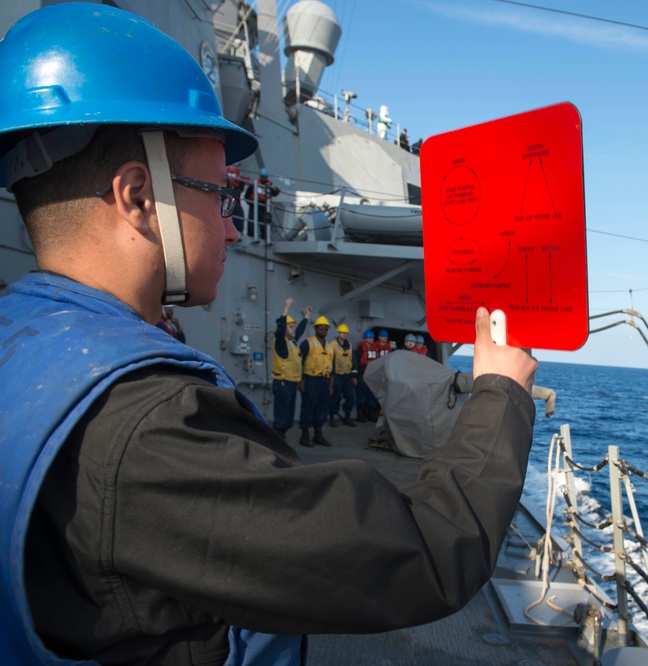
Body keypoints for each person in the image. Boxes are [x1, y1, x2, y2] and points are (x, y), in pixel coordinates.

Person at [0, 6, 537, 665]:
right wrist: (500, 393)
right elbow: (423, 549)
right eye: (219, 194)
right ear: (138, 197)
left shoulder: (23, 340)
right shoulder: (144, 428)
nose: (231, 227)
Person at [272, 298, 311, 441]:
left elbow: (299, 330)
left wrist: (306, 317)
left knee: (288, 416)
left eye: (293, 326)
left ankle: (281, 437)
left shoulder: (292, 342)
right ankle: (276, 441)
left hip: (291, 383)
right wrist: (286, 308)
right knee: (282, 414)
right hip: (282, 383)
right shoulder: (281, 342)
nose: (293, 328)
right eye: (291, 326)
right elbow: (281, 329)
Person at [298, 316, 334, 446]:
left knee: (322, 407)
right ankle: (304, 435)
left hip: (324, 381)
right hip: (311, 380)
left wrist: (330, 385)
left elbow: (332, 367)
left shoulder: (329, 347)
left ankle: (318, 435)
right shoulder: (307, 343)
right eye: (320, 328)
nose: (323, 330)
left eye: (325, 328)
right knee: (308, 406)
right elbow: (299, 362)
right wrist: (300, 381)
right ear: (316, 329)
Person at [329, 323, 357, 427]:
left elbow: (353, 360)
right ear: (338, 333)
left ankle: (347, 417)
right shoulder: (332, 345)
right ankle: (331, 417)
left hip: (347, 376)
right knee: (334, 398)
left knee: (350, 397)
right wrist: (330, 376)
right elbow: (330, 360)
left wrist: (354, 376)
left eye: (346, 333)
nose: (344, 335)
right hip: (336, 375)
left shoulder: (349, 345)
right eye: (342, 333)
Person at [354, 329, 380, 422]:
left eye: (372, 338)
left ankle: (371, 414)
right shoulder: (360, 349)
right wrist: (355, 376)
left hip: (372, 375)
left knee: (371, 394)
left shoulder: (375, 349)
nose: (372, 339)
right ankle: (361, 415)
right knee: (361, 394)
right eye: (370, 338)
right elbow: (356, 362)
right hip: (362, 374)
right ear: (365, 339)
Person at [249, 167, 280, 242]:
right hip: (254, 206)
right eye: (262, 177)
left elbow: (275, 193)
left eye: (265, 177)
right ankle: (250, 235)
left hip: (264, 208)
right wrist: (251, 203)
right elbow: (248, 195)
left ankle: (264, 238)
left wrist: (275, 190)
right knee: (251, 221)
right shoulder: (254, 185)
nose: (264, 179)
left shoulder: (269, 186)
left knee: (264, 223)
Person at [226, 164, 248, 233]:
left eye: (234, 166)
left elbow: (241, 187)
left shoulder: (239, 177)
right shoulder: (223, 173)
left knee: (239, 214)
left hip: (234, 198)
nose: (233, 167)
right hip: (225, 196)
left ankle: (239, 231)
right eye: (232, 165)